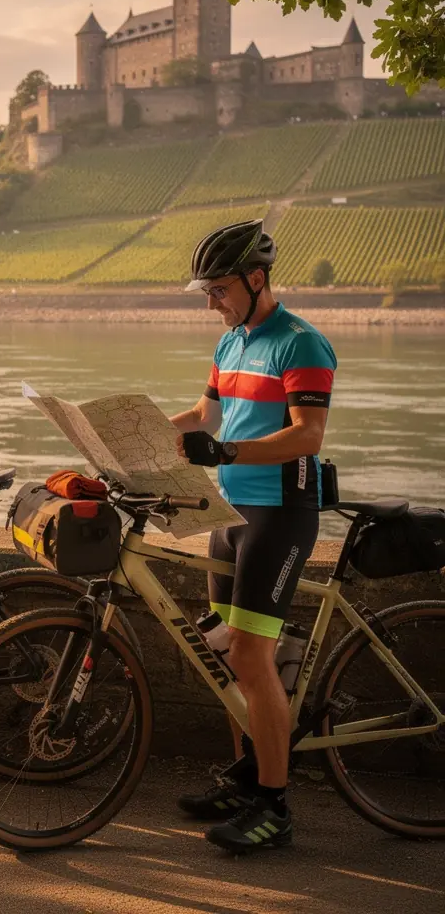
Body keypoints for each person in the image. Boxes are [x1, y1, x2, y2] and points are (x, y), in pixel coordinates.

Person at [170, 219, 337, 855]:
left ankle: (274, 805)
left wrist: (227, 451)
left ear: (256, 278)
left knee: (250, 656)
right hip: (230, 512)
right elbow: (204, 416)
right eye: (207, 291)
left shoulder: (301, 343)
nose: (211, 300)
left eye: (218, 289)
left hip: (281, 512)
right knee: (223, 653)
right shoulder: (231, 342)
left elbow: (307, 435)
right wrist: (136, 428)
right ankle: (244, 782)